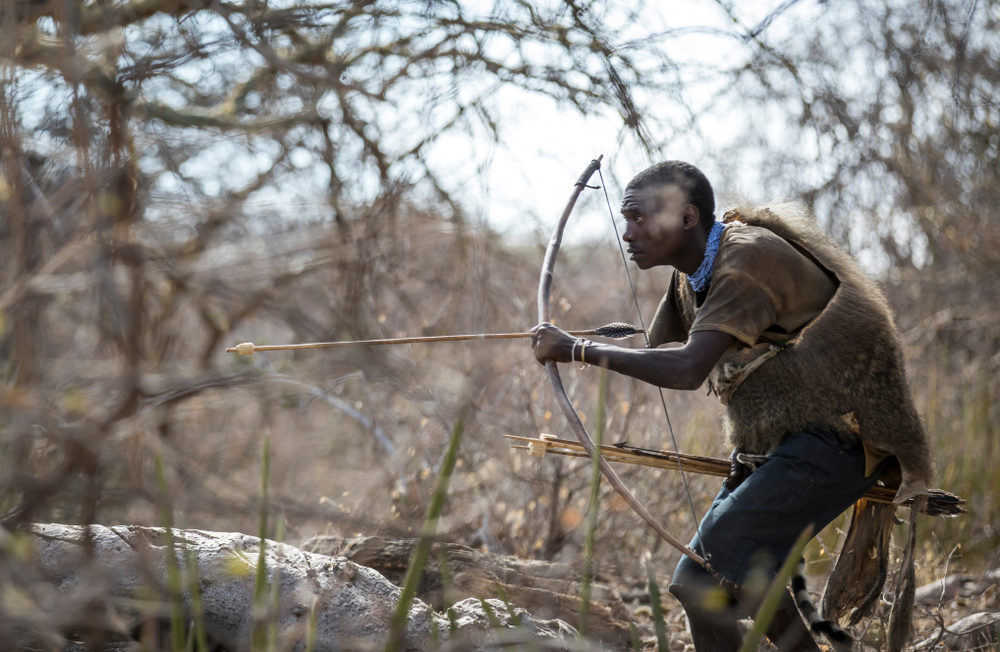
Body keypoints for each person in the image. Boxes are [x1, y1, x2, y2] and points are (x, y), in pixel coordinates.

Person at [530, 161, 924, 652]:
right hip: (786, 446)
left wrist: (577, 349)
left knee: (706, 579)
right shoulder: (695, 273)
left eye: (638, 217)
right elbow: (709, 357)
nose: (627, 233)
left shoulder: (744, 260)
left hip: (838, 441)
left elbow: (687, 368)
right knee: (735, 586)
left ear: (687, 217)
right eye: (625, 219)